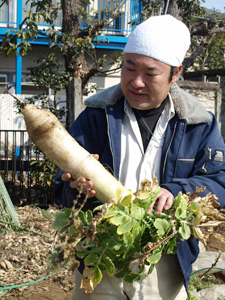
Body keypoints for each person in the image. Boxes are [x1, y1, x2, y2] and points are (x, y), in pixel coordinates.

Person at [54, 14, 225, 300]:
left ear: (175, 73)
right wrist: (75, 189)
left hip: (165, 265)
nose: (136, 82)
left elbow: (219, 181)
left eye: (150, 73)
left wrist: (176, 191)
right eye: (129, 68)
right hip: (101, 261)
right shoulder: (95, 117)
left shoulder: (199, 123)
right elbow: (60, 188)